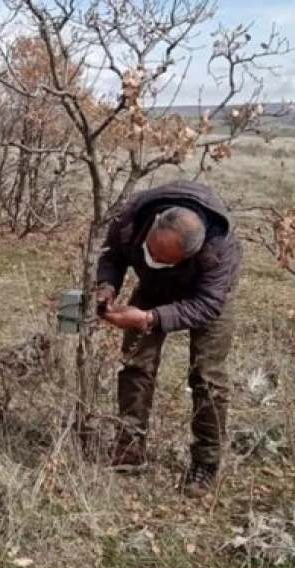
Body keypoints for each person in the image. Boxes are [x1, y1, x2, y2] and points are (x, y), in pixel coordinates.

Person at [92, 179, 242, 498]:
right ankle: (130, 447)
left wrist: (151, 318)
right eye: (149, 251)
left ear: (190, 253)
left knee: (207, 378)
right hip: (153, 289)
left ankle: (206, 462)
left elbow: (208, 305)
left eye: (163, 259)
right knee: (135, 362)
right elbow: (113, 256)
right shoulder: (131, 215)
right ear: (154, 223)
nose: (150, 260)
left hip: (206, 299)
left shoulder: (220, 248)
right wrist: (106, 287)